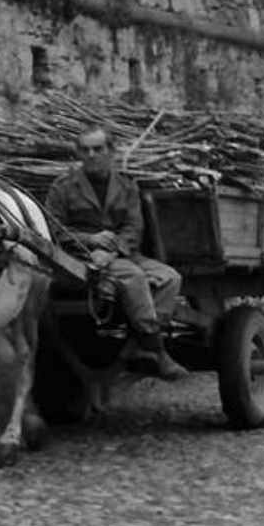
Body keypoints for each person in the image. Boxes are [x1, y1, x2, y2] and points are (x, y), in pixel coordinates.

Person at [46, 123, 188, 381]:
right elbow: (53, 231)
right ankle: (159, 353)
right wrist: (90, 241)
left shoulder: (126, 186)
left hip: (120, 254)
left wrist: (112, 253)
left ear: (111, 151)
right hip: (78, 258)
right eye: (86, 150)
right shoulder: (63, 188)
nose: (91, 155)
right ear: (78, 153)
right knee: (133, 277)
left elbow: (134, 227)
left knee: (170, 278)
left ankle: (138, 344)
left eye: (98, 149)